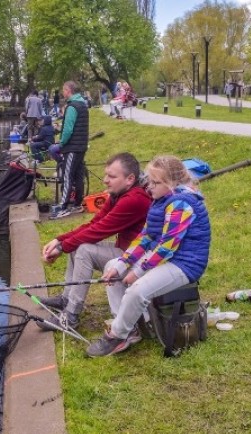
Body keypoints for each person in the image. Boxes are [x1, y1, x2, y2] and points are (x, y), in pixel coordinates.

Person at [86, 155, 211, 357]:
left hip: (185, 264)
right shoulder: (160, 200)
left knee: (137, 290)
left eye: (156, 183)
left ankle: (118, 335)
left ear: (171, 184)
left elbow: (166, 247)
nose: (149, 187)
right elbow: (145, 237)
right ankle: (129, 327)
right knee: (112, 265)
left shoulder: (181, 204)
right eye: (149, 181)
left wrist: (137, 272)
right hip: (166, 256)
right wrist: (122, 264)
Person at [38, 153, 152, 329]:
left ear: (130, 179)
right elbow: (94, 224)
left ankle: (71, 316)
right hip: (127, 253)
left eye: (112, 176)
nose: (105, 180)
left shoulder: (135, 199)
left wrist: (61, 248)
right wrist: (59, 240)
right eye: (106, 175)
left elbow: (99, 231)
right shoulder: (119, 194)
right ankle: (66, 299)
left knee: (84, 250)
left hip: (139, 260)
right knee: (77, 246)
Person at [50, 80, 90, 219]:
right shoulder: (83, 104)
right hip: (81, 146)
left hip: (72, 147)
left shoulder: (72, 106)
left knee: (67, 176)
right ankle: (78, 204)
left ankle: (63, 207)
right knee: (79, 176)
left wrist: (61, 143)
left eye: (64, 89)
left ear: (68, 90)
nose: (63, 92)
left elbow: (68, 129)